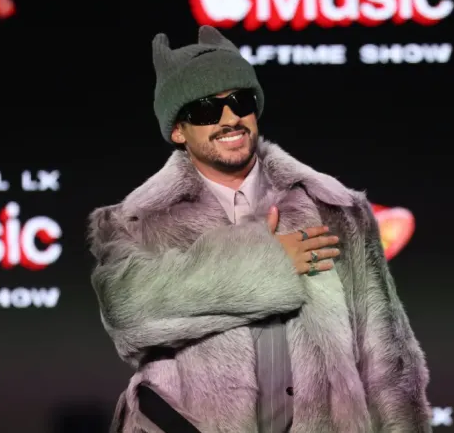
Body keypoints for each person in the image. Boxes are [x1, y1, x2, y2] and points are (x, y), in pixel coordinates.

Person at [88, 26, 431, 433]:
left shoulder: (336, 210)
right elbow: (128, 316)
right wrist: (269, 262)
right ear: (178, 130)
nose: (230, 118)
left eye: (241, 102)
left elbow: (387, 363)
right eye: (206, 110)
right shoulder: (135, 221)